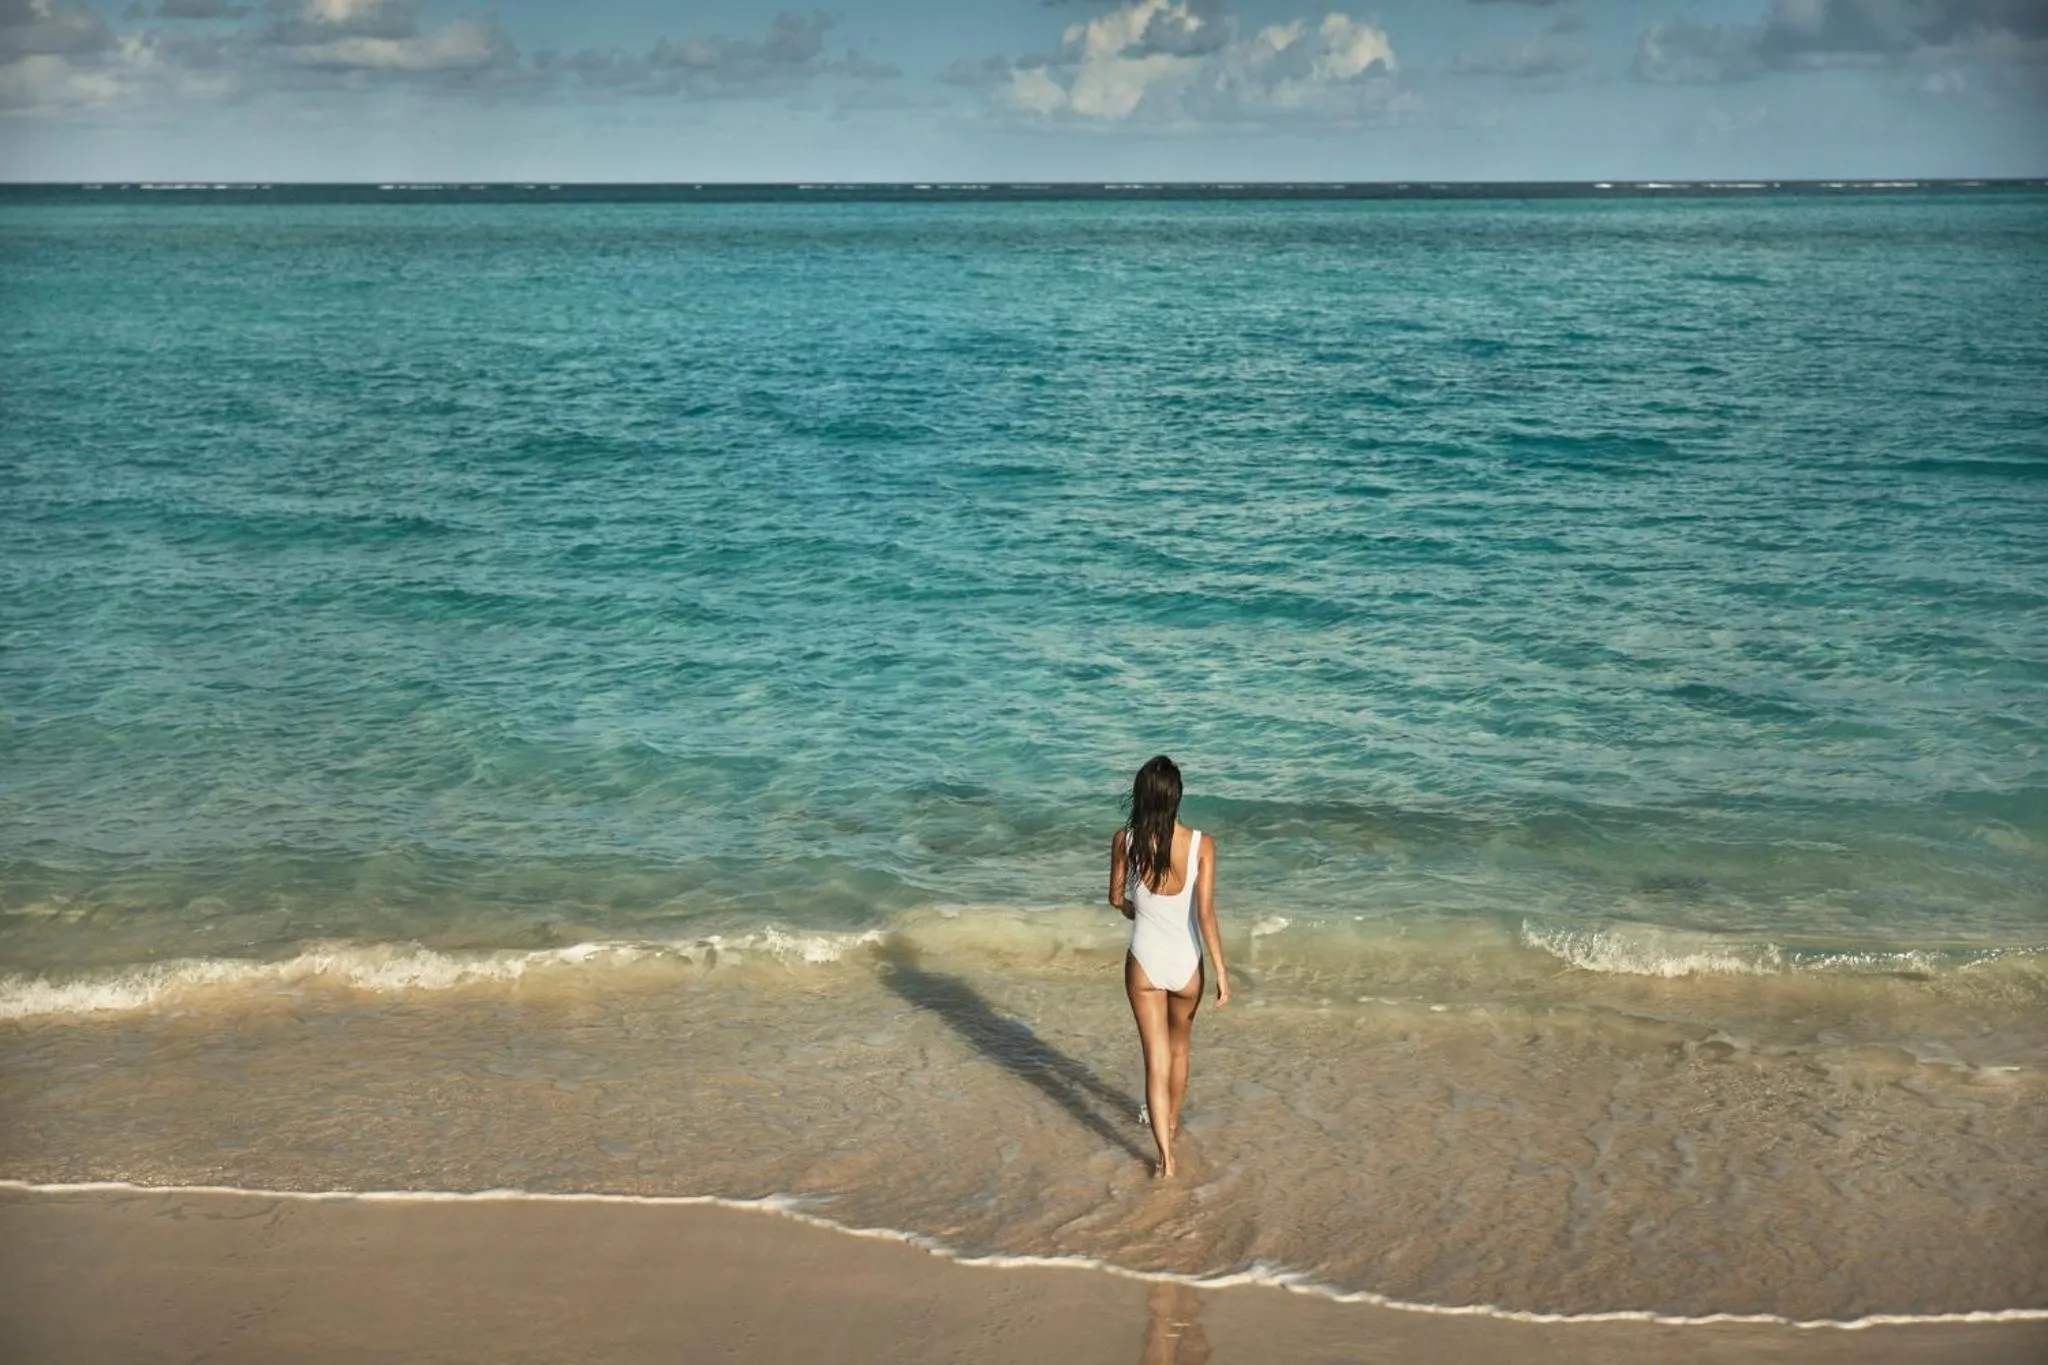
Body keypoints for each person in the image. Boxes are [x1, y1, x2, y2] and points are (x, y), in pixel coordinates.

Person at [1108, 754, 1229, 1178]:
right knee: (1179, 1050)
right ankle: (1172, 1124)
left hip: (1143, 962)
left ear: (1142, 796)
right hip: (1187, 967)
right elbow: (1206, 914)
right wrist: (1223, 975)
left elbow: (1115, 899)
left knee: (1154, 1060)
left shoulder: (1125, 840)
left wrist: (1134, 911)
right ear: (1176, 797)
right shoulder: (1202, 845)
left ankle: (1166, 1159)